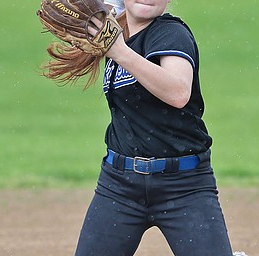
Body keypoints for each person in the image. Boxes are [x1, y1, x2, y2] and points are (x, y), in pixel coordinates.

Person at [42, 0, 233, 255]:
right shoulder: (118, 36)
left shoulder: (171, 33)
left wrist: (119, 51)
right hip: (119, 187)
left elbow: (178, 92)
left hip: (184, 187)